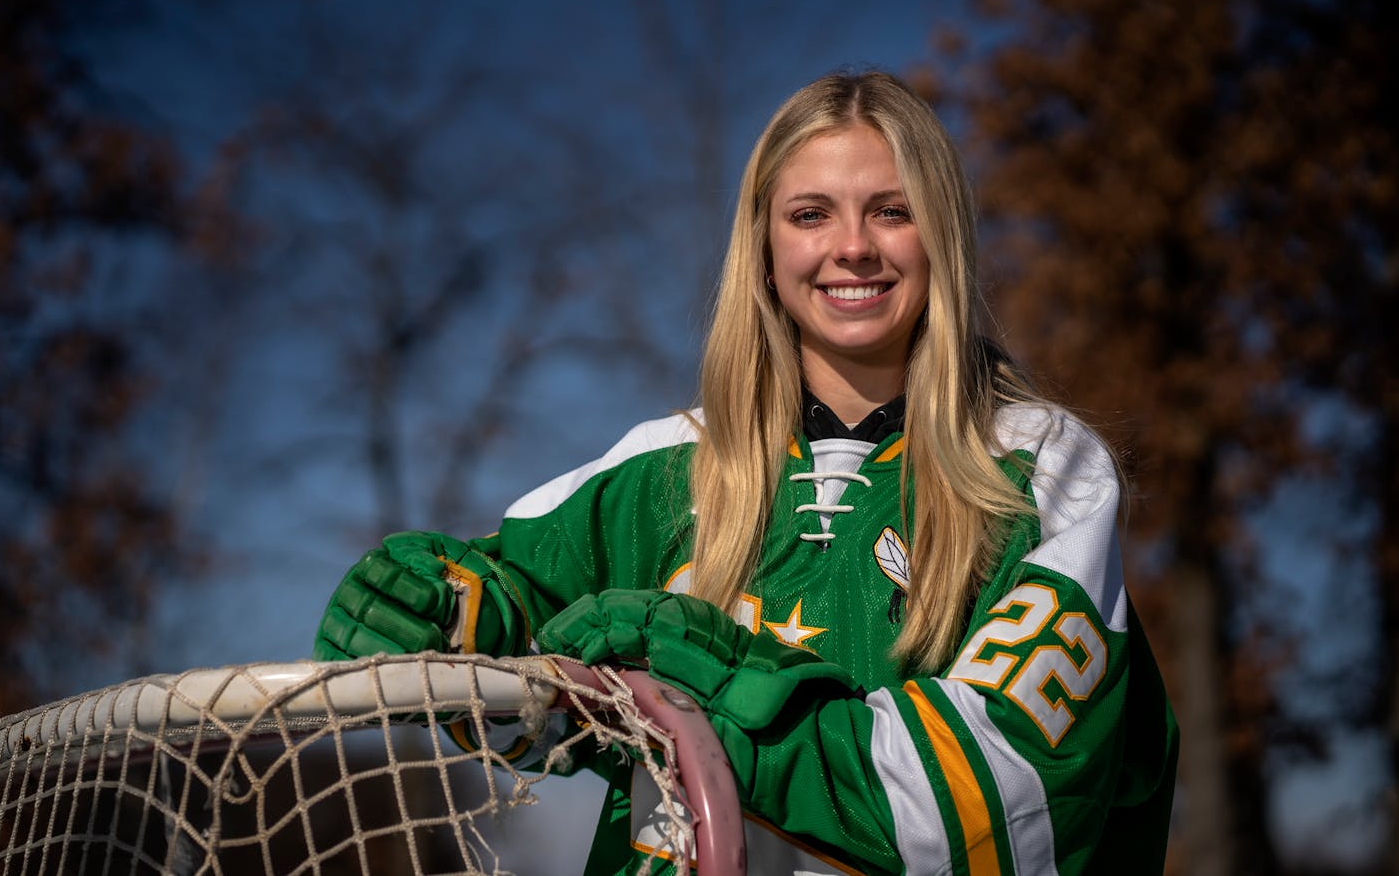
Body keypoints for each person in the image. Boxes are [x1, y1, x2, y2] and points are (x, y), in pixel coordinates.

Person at [313, 70, 1179, 875]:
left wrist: (717, 682)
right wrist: (441, 610)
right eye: (810, 214)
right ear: (763, 247)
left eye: (891, 210)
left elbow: (989, 807)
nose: (851, 248)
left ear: (942, 235)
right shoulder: (663, 468)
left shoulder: (1036, 464)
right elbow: (516, 636)